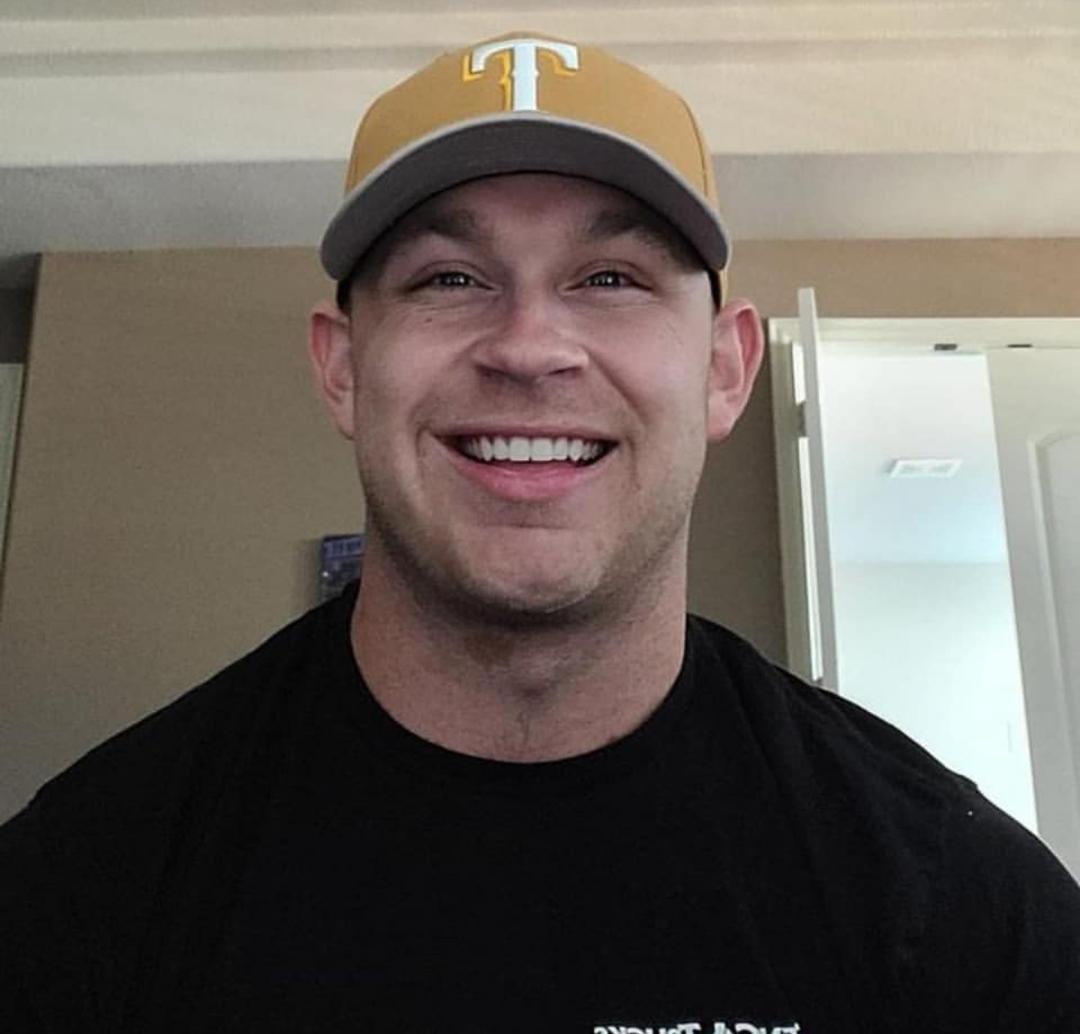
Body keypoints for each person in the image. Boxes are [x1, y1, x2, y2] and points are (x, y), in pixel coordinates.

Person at [2, 30, 1079, 1034]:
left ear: (724, 368)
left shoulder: (964, 908)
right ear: (342, 368)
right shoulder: (80, 886)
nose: (527, 346)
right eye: (449, 279)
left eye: (610, 279)